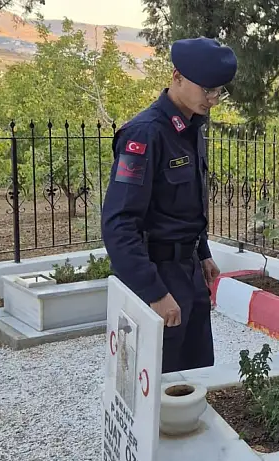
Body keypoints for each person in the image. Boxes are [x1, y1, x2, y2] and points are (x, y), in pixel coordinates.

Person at [100, 37, 238, 373]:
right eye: (207, 89)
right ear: (177, 76)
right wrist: (154, 292)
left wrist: (202, 251)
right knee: (158, 379)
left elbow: (184, 204)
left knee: (197, 373)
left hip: (188, 270)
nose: (214, 99)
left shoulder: (191, 128)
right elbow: (118, 224)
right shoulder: (145, 134)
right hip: (158, 273)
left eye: (219, 90)